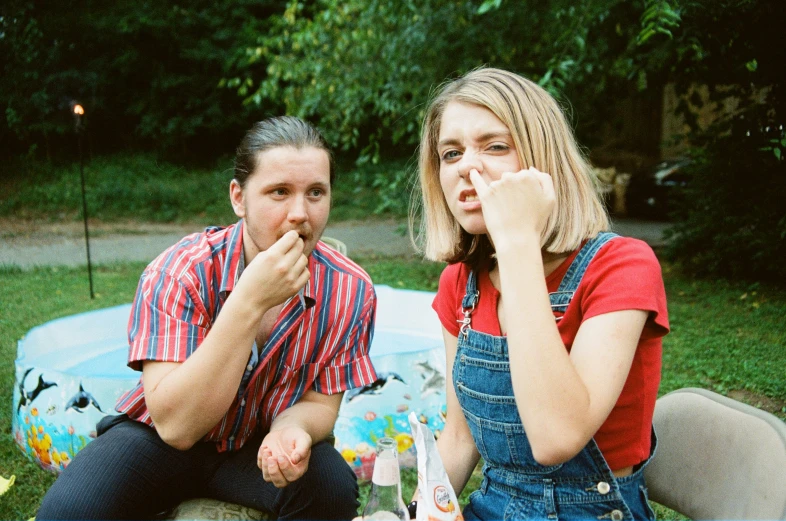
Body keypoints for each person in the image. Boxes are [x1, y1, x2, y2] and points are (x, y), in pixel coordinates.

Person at [37, 116, 378, 520]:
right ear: (239, 198)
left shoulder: (350, 290)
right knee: (67, 512)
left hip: (257, 446)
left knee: (331, 488)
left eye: (316, 192)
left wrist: (293, 430)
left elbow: (320, 403)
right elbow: (176, 427)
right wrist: (248, 302)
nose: (300, 214)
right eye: (279, 192)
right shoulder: (179, 272)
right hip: (159, 439)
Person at [411, 68, 669, 520]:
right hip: (492, 507)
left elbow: (556, 437)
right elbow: (457, 438)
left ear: (543, 160)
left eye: (495, 146)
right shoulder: (460, 282)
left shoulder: (622, 265)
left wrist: (517, 245)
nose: (468, 167)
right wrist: (409, 515)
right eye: (451, 153)